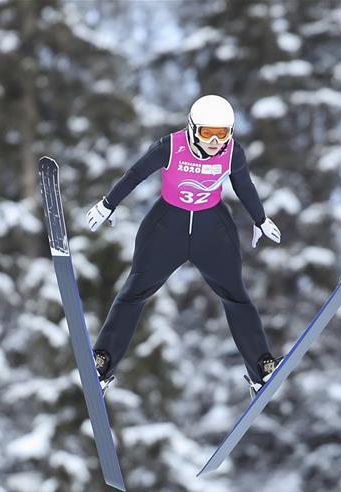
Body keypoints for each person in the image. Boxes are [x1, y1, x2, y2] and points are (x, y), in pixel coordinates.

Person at [86, 94, 282, 393]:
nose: (215, 142)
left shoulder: (233, 153)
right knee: (134, 292)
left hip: (212, 230)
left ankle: (261, 369)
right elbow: (136, 174)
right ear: (192, 128)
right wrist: (108, 204)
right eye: (208, 133)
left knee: (236, 296)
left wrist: (260, 220)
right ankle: (102, 362)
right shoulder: (170, 147)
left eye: (222, 134)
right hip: (166, 228)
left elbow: (244, 185)